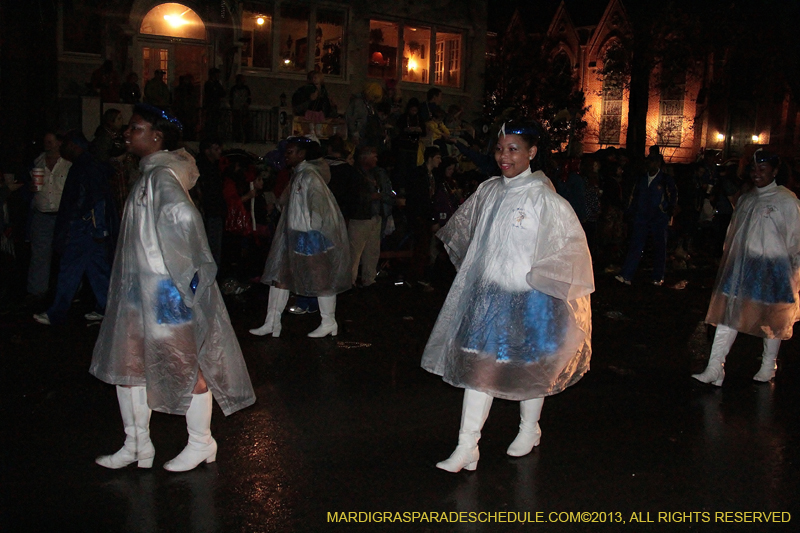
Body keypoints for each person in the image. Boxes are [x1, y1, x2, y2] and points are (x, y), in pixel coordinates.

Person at [89, 104, 255, 472]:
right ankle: (137, 444)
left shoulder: (161, 177)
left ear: (157, 137)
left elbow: (184, 224)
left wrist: (190, 285)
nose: (129, 133)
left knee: (184, 366)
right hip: (141, 292)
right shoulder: (150, 174)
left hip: (166, 293)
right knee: (128, 365)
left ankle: (201, 441)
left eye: (136, 128)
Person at [421, 120, 594, 473]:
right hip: (490, 300)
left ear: (531, 152)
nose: (504, 156)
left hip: (532, 301)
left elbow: (571, 249)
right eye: (500, 148)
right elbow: (471, 236)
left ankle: (529, 429)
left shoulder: (545, 199)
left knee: (531, 369)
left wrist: (536, 278)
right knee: (478, 369)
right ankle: (467, 446)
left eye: (513, 149)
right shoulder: (488, 191)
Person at [692, 150, 800, 386]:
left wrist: (794, 270)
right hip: (743, 266)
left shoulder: (787, 200)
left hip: (775, 268)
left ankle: (768, 364)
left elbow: (796, 238)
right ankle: (715, 367)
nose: (757, 174)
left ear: (774, 171)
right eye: (754, 169)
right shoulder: (747, 198)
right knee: (728, 315)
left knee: (772, 319)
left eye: (763, 170)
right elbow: (733, 233)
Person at [250, 137, 350, 338]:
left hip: (309, 236)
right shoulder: (300, 175)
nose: (287, 155)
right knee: (280, 277)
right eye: (287, 152)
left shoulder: (309, 176)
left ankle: (329, 321)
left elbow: (319, 207)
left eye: (292, 151)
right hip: (295, 233)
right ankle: (272, 321)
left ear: (302, 154)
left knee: (320, 277)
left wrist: (313, 231)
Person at [33, 131, 114, 326]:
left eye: (67, 144)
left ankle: (57, 312)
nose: (63, 148)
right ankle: (106, 309)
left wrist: (97, 227)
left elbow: (95, 199)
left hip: (84, 227)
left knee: (70, 268)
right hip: (89, 227)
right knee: (97, 269)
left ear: (76, 146)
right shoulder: (85, 164)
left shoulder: (85, 166)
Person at [615, 151, 677, 286]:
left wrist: (668, 211)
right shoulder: (642, 179)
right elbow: (634, 197)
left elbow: (673, 197)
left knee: (659, 246)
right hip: (642, 216)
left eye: (653, 161)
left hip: (658, 218)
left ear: (658, 163)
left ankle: (658, 276)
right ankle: (627, 275)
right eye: (649, 161)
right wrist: (630, 212)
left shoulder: (665, 179)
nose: (650, 164)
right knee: (636, 244)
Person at [27, 132, 71, 300]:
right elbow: (31, 187)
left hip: (62, 215)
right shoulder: (37, 162)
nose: (47, 144)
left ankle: (68, 290)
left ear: (59, 142)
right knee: (39, 254)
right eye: (45, 141)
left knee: (67, 253)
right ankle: (37, 291)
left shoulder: (68, 163)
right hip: (42, 213)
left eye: (50, 141)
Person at [229, 74, 252, 143]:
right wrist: (233, 106)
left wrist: (246, 105)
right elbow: (231, 99)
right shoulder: (234, 89)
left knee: (245, 125)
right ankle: (237, 139)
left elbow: (249, 98)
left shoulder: (246, 88)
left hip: (243, 109)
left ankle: (246, 139)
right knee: (236, 125)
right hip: (236, 109)